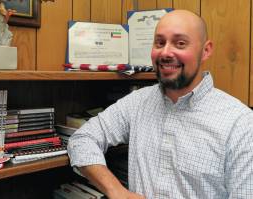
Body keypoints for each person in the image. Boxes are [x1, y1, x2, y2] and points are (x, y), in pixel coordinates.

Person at [67, 9, 253, 199]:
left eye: (180, 43)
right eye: (159, 42)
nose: (165, 52)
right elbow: (82, 139)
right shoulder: (137, 103)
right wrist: (116, 191)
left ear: (205, 50)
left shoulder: (241, 124)